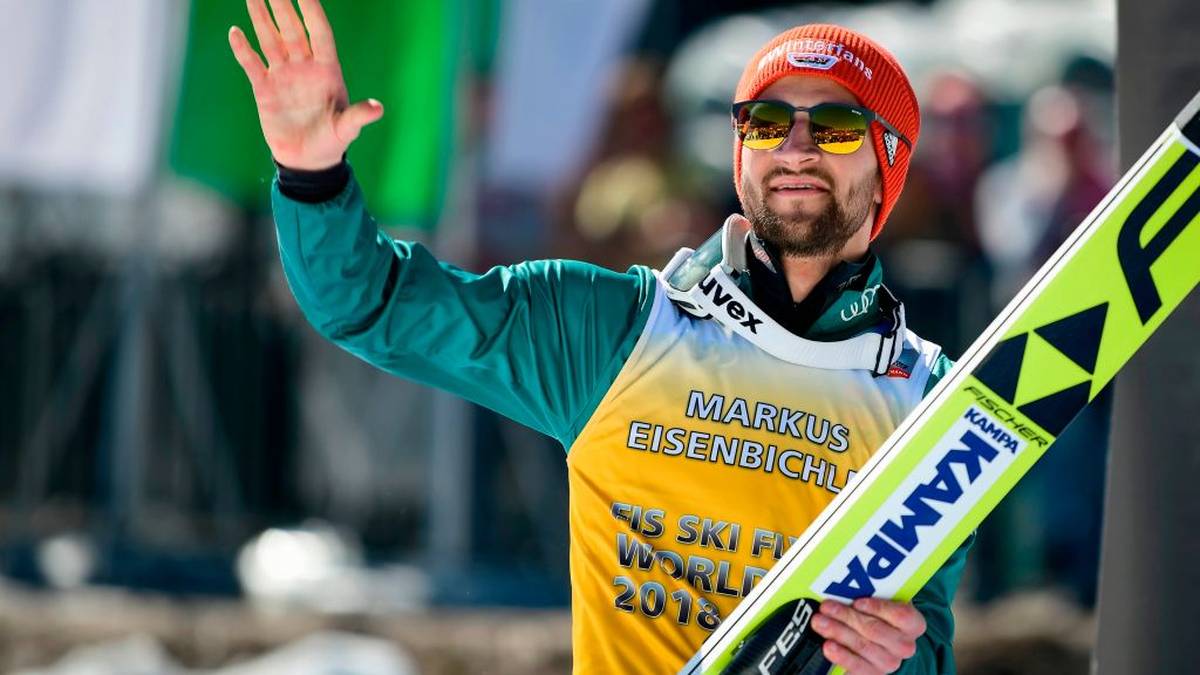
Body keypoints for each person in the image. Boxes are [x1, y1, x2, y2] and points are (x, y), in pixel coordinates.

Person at [229, 1, 970, 672]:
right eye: (768, 124)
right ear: (743, 154)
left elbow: (926, 644)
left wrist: (894, 658)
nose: (797, 148)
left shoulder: (933, 400)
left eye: (836, 127)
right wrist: (311, 174)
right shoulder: (610, 327)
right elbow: (372, 303)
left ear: (886, 170)